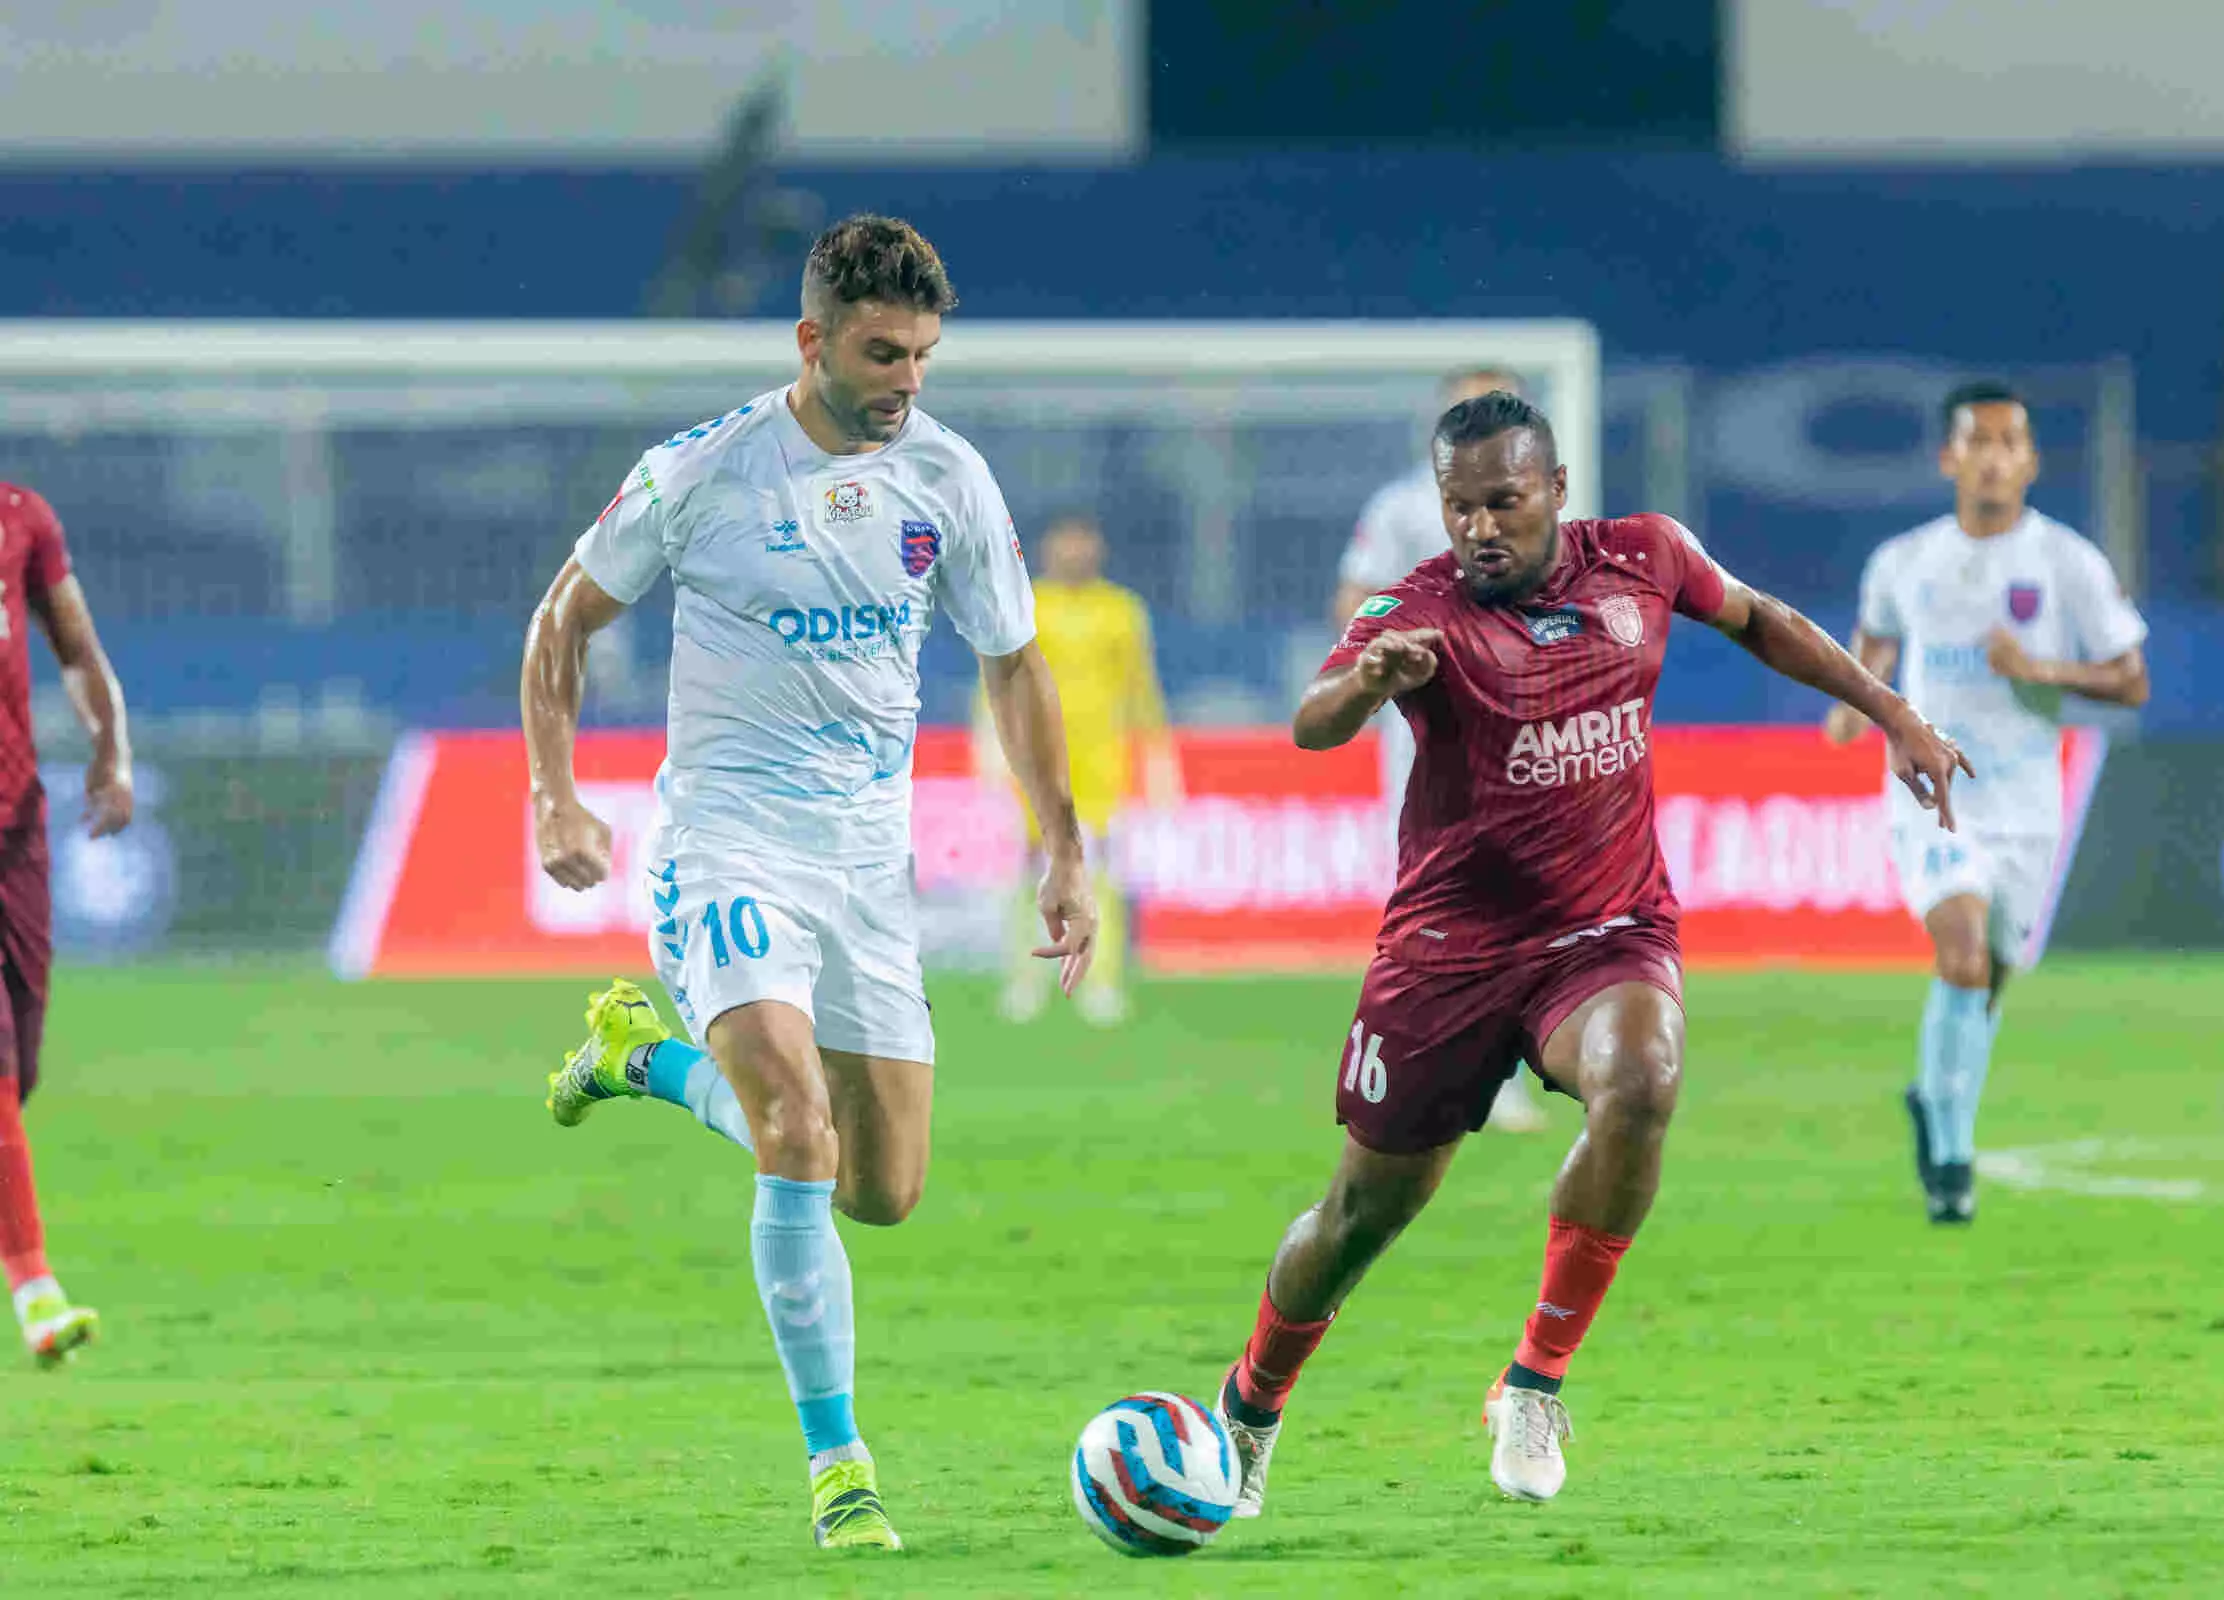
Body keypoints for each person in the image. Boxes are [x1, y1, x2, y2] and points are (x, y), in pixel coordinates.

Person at [1211, 392, 1968, 1513]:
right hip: (1448, 954)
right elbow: (1312, 721)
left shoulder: (1644, 557)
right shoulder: (1415, 609)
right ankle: (1251, 1403)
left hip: (1604, 930)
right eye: (1459, 507)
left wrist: (1894, 714)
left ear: (1557, 491)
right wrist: (1368, 682)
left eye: (1503, 501)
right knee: (1359, 1219)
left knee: (1644, 1075)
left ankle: (1534, 1381)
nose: (1479, 527)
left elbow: (1761, 619)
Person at [520, 215, 1095, 1554]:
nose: (908, 380)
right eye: (883, 352)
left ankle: (641, 1063)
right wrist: (554, 791)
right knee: (794, 1129)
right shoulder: (700, 473)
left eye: (924, 355)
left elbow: (1014, 661)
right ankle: (842, 1470)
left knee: (879, 1189)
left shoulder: (948, 477)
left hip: (867, 864)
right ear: (812, 340)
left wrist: (1062, 844)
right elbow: (563, 620)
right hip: (729, 843)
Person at [1825, 380, 2148, 1224]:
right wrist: (1855, 706)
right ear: (1950, 457)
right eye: (1980, 442)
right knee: (1962, 949)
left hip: (2028, 804)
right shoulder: (1903, 562)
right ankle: (1952, 1156)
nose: (1995, 459)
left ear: (2032, 461)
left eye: (2011, 443)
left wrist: (2041, 670)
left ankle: (1935, 1096)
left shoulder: (2068, 563)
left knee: (1991, 976)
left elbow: (2130, 680)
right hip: (1933, 793)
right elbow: (1873, 648)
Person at [1334, 365, 1550, 1134]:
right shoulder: (1401, 507)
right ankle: (1429, 1063)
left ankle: (1503, 1071)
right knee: (1438, 899)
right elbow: (1355, 602)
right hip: (1431, 733)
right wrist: (1386, 663)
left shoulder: (1545, 507)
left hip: (1529, 726)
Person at [0, 483, 132, 1366]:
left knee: (22, 1068)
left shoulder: (23, 517)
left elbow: (78, 653)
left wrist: (111, 748)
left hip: (16, 829)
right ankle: (36, 1292)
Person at [977, 514, 1176, 1027]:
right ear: (1048, 549)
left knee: (1099, 869)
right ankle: (1024, 979)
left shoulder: (1121, 610)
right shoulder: (1026, 604)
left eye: (1083, 542)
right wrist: (988, 737)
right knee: (1029, 869)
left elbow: (1141, 687)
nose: (1074, 551)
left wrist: (1158, 756)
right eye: (1065, 543)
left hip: (1099, 761)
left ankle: (1100, 980)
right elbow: (999, 674)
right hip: (1036, 758)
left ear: (1097, 548)